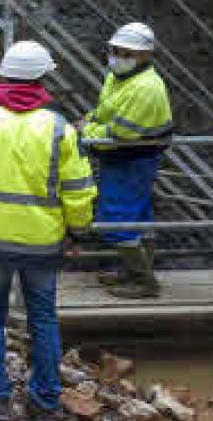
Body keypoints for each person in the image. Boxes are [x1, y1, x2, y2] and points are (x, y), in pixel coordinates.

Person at [0, 41, 97, 421]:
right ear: (43, 79)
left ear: (2, 76)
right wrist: (77, 233)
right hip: (42, 244)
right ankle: (44, 403)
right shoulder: (59, 129)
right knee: (42, 317)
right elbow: (78, 189)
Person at [76, 22, 173, 299]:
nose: (117, 56)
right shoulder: (120, 77)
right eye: (115, 50)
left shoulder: (146, 88)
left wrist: (85, 130)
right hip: (124, 157)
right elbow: (106, 110)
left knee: (117, 216)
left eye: (126, 52)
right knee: (138, 212)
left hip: (133, 157)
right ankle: (134, 270)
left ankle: (144, 281)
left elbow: (121, 133)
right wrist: (91, 119)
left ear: (145, 56)